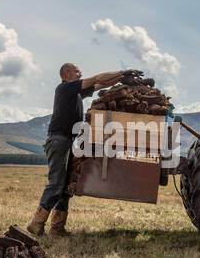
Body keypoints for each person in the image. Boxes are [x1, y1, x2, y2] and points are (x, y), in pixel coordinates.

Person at [28, 62, 133, 236]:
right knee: (56, 184)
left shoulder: (76, 93)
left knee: (66, 185)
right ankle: (36, 224)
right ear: (67, 73)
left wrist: (122, 79)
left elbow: (100, 84)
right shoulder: (65, 89)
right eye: (77, 70)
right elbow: (96, 78)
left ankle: (57, 227)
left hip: (68, 142)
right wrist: (122, 72)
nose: (80, 72)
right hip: (59, 141)